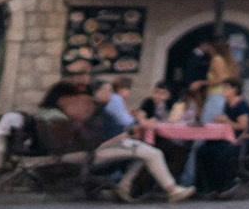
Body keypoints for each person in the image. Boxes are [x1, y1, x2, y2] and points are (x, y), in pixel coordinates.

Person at [51, 81, 194, 202]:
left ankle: (124, 187)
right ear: (97, 93)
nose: (111, 94)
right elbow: (97, 139)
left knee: (146, 150)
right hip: (99, 151)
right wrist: (127, 135)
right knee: (153, 152)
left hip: (105, 147)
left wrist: (128, 134)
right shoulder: (93, 111)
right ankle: (171, 189)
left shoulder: (99, 110)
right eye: (108, 90)